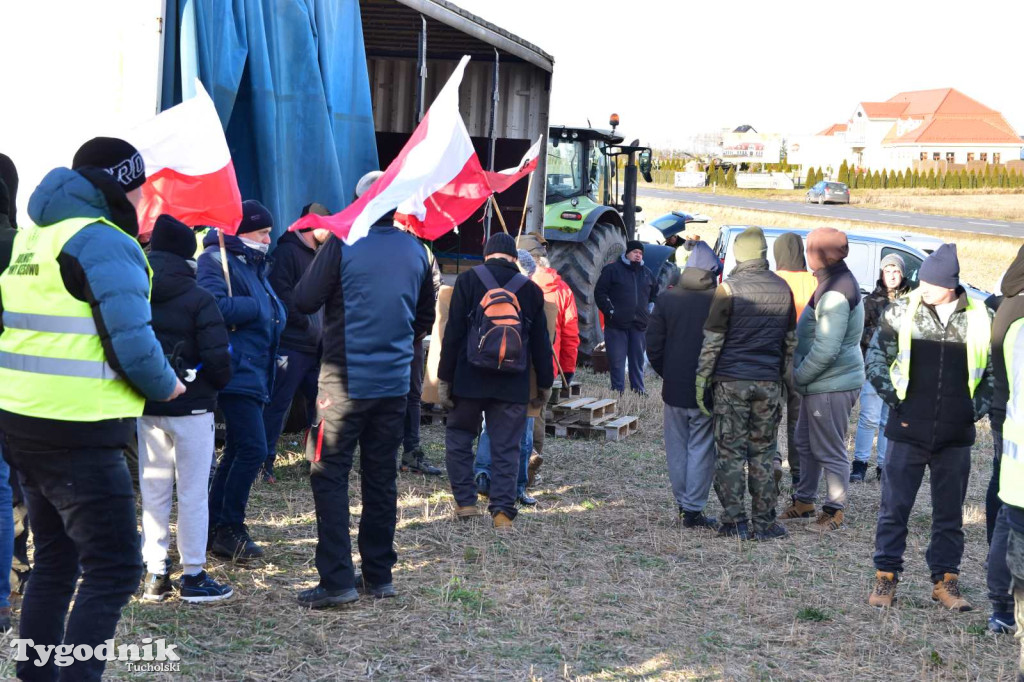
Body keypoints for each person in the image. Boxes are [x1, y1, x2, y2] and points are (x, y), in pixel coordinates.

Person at [0, 138, 184, 680]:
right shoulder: (102, 241)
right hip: (77, 430)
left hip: (24, 421)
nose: (145, 196)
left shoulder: (34, 238)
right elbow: (132, 341)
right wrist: (168, 384)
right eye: (141, 185)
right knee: (115, 568)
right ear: (123, 184)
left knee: (56, 561)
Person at [294, 173, 435, 609]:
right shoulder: (416, 250)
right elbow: (425, 319)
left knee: (329, 474)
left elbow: (304, 299)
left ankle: (337, 580)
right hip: (393, 386)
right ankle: (378, 575)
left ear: (360, 202)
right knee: (381, 477)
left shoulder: (342, 242)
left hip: (344, 383)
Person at [865, 243, 993, 610]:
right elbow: (875, 358)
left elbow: (995, 373)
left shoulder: (981, 317)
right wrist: (897, 402)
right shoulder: (901, 310)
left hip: (955, 435)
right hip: (906, 430)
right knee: (894, 509)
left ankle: (945, 582)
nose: (923, 289)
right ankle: (886, 577)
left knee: (950, 516)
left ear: (950, 285)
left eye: (931, 285)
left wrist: (972, 411)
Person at [138, 216, 234, 604]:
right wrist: (213, 383)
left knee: (153, 490)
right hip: (194, 408)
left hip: (147, 404)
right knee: (193, 492)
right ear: (185, 254)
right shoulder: (199, 298)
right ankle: (193, 575)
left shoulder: (138, 291)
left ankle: (155, 574)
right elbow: (219, 360)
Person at [439, 233, 553, 529]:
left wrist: (444, 379)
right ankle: (502, 512)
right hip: (512, 384)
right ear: (514, 257)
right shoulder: (530, 289)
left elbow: (452, 335)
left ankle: (466, 503)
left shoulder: (467, 281)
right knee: (506, 447)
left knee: (460, 439)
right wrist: (545, 383)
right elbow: (542, 343)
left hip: (468, 380)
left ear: (486, 255)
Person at [199, 200, 286, 561]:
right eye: (262, 232)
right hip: (236, 368)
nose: (268, 239)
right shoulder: (215, 259)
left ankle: (214, 526)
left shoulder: (253, 265)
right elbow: (212, 306)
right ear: (242, 231)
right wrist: (257, 308)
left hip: (256, 368)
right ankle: (229, 527)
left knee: (239, 448)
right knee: (252, 449)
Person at [696, 227, 796, 541]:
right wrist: (784, 382)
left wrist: (702, 380)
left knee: (730, 454)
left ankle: (734, 522)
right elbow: (790, 344)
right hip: (768, 383)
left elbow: (712, 342)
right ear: (763, 253)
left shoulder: (728, 289)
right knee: (764, 454)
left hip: (731, 383)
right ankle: (765, 524)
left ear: (739, 254)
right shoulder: (782, 288)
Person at [779, 228, 864, 532]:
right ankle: (804, 501)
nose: (807, 256)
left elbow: (827, 348)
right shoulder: (833, 280)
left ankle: (833, 511)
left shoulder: (836, 292)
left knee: (829, 448)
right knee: (805, 442)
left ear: (821, 255)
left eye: (810, 250)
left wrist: (799, 377)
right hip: (821, 383)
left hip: (830, 384)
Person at [647, 241, 721, 528]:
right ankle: (693, 509)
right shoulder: (720, 301)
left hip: (674, 387)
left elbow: (653, 345)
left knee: (677, 447)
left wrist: (668, 373)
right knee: (701, 447)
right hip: (708, 389)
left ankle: (683, 504)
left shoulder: (667, 299)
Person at [261, 203, 330, 484]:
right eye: (327, 226)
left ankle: (318, 460)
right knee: (277, 406)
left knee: (323, 405)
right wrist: (306, 325)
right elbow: (281, 297)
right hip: (290, 345)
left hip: (316, 348)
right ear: (312, 225)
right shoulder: (286, 254)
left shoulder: (321, 255)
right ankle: (263, 463)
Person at [474, 250, 543, 507]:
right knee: (523, 432)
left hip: (490, 369)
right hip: (524, 375)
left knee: (489, 426)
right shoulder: (533, 295)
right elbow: (544, 342)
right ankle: (518, 486)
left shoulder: (488, 292)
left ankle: (483, 474)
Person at [518, 232, 579, 484]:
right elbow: (571, 333)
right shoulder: (561, 289)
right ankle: (530, 471)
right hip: (545, 366)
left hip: (508, 361)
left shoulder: (511, 283)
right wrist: (567, 369)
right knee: (535, 416)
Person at [987, 245, 1024, 635]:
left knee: (1004, 506)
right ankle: (1003, 604)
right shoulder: (1022, 313)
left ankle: (1000, 604)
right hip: (1014, 419)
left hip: (1006, 416)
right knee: (1011, 518)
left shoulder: (1009, 301)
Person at [851, 253, 911, 482]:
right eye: (888, 271)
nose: (892, 276)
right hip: (875, 368)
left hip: (901, 370)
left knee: (889, 420)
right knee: (869, 417)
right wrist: (880, 338)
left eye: (896, 271)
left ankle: (884, 466)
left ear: (902, 274)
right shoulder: (871, 301)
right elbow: (858, 334)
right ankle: (860, 464)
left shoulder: (911, 302)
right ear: (881, 273)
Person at [398, 222, 443, 476]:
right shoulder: (372, 244)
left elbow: (434, 290)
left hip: (409, 336)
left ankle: (411, 453)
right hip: (388, 336)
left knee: (412, 395)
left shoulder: (422, 252)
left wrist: (419, 328)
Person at [773, 232, 817, 488]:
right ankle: (799, 476)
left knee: (770, 415)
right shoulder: (814, 282)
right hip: (804, 361)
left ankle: (773, 460)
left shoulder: (773, 280)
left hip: (775, 358)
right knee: (798, 422)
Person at [595, 240, 656, 394]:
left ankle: (639, 390)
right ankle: (618, 391)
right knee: (617, 361)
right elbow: (600, 292)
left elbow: (654, 296)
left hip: (639, 325)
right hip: (616, 325)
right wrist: (610, 311)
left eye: (640, 253)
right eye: (635, 252)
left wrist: (648, 312)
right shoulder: (612, 270)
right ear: (627, 253)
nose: (638, 255)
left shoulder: (647, 273)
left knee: (637, 361)